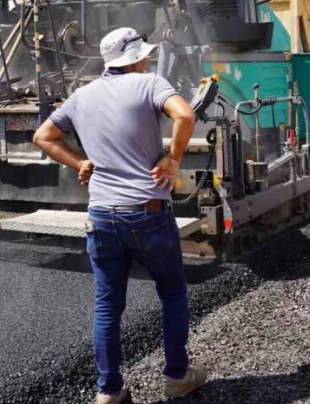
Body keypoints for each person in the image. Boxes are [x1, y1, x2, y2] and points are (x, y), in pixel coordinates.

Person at [33, 28, 207, 404]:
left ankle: (109, 392)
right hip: (148, 213)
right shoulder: (149, 83)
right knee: (173, 293)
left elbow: (43, 137)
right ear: (137, 58)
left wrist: (79, 162)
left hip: (101, 217)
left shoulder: (81, 96)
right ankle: (177, 376)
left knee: (108, 305)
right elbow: (186, 116)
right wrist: (173, 159)